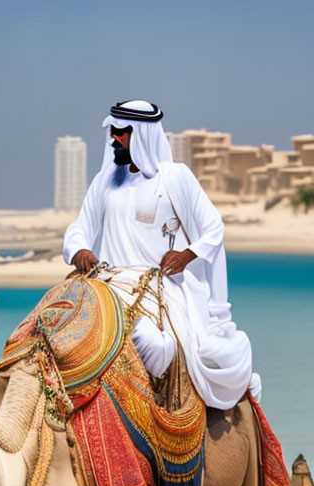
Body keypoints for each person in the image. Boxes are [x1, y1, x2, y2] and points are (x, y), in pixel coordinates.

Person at [63, 99, 260, 410]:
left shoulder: (175, 177)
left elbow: (213, 227)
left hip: (159, 289)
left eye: (121, 132)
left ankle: (149, 413)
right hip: (107, 284)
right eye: (112, 132)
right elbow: (79, 228)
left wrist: (187, 254)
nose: (114, 139)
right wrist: (79, 250)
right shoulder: (104, 182)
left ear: (141, 135)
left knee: (159, 344)